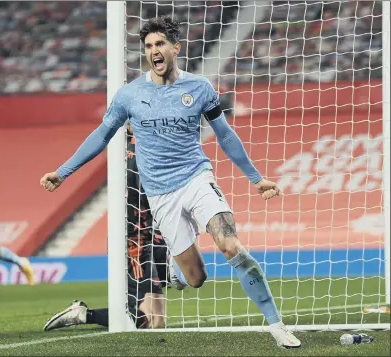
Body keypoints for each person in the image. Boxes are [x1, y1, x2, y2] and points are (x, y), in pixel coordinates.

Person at [40, 16, 301, 348]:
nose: (154, 51)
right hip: (160, 195)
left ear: (175, 48)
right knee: (196, 279)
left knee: (230, 244)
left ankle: (277, 325)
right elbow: (101, 135)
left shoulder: (199, 88)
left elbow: (225, 135)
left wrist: (256, 178)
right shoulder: (129, 95)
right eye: (148, 46)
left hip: (196, 178)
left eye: (160, 44)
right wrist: (62, 171)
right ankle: (180, 268)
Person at [44, 126, 169, 331]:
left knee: (160, 312)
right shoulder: (138, 151)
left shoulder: (139, 149)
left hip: (148, 236)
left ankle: (168, 276)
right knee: (152, 321)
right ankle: (84, 314)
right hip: (133, 242)